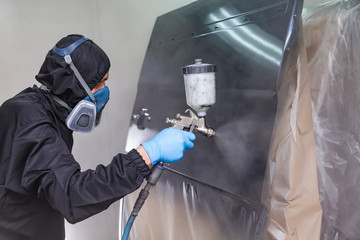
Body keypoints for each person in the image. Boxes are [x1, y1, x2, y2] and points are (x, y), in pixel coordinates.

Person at [0, 34, 195, 240]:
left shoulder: (42, 108)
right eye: (99, 83)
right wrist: (147, 153)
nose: (104, 91)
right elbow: (72, 194)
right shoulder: (30, 120)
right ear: (73, 83)